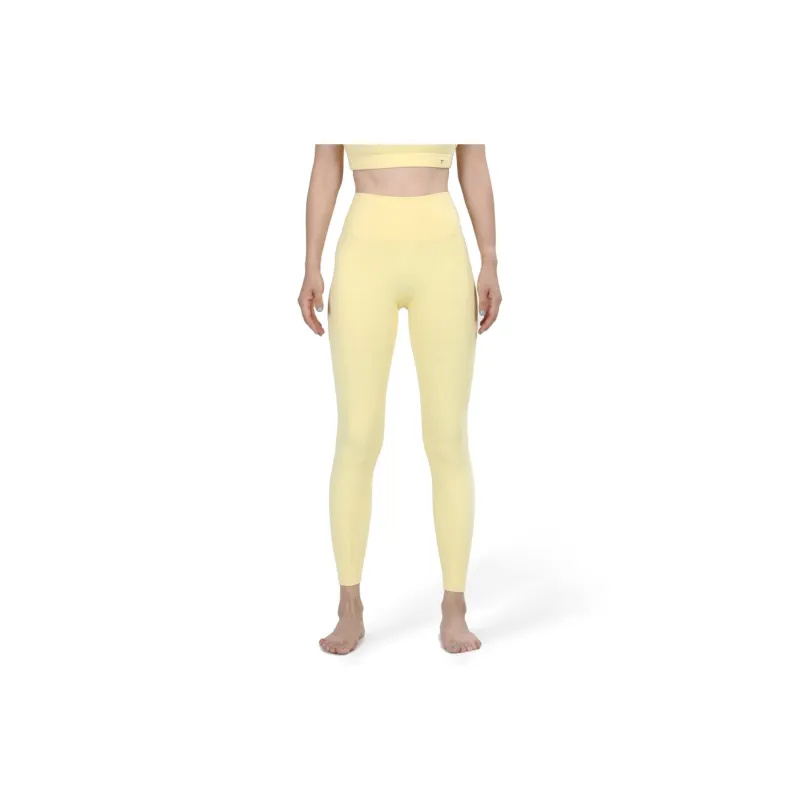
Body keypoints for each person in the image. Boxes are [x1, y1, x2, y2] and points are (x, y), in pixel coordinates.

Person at [298, 145, 502, 654]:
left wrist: (490, 259)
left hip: (441, 251)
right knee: (357, 436)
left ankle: (454, 605)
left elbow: (473, 161)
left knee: (448, 437)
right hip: (364, 251)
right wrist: (311, 263)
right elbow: (326, 164)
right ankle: (349, 605)